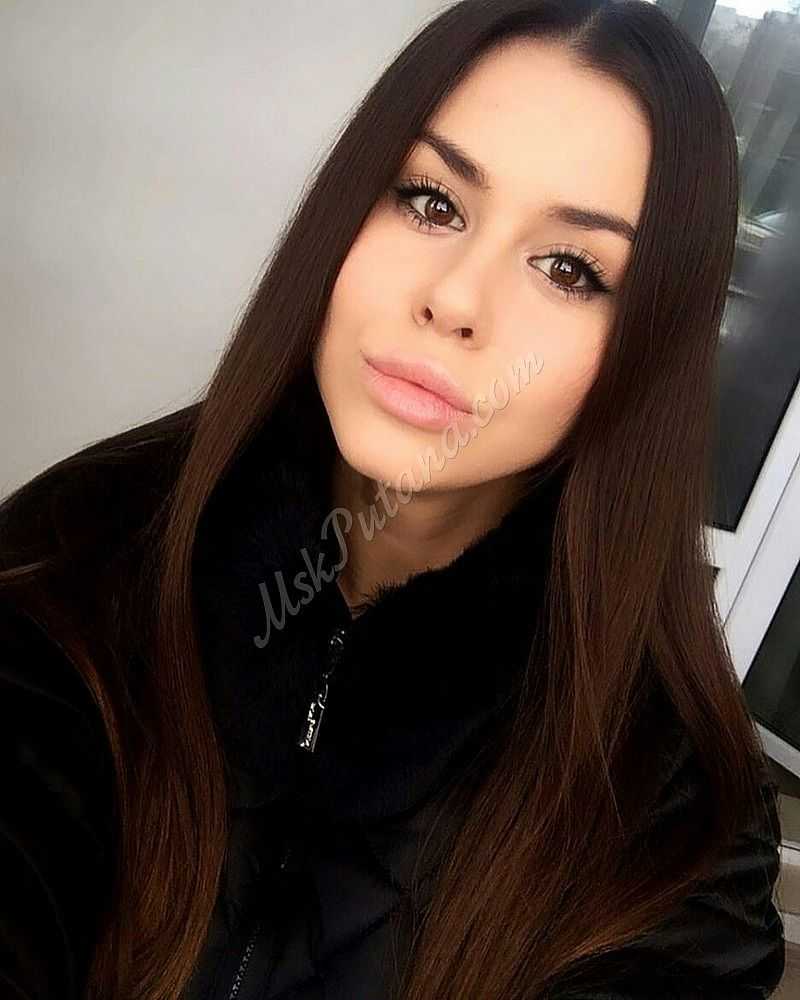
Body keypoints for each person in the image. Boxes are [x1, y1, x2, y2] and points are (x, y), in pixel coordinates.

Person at [0, 1, 787, 998]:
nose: (454, 299)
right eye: (431, 202)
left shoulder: (673, 815)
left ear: (645, 350)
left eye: (568, 269)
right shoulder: (75, 564)